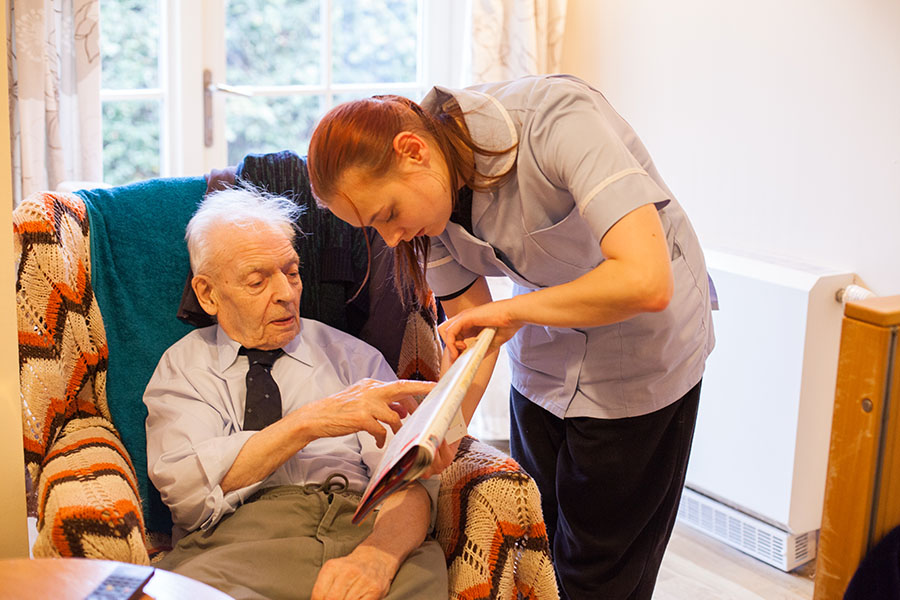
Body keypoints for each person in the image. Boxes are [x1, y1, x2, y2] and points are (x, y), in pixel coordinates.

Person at [306, 74, 715, 599]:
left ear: (413, 151)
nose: (391, 237)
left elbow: (645, 280)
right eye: (374, 227)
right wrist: (438, 438)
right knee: (538, 552)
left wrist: (514, 312)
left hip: (641, 356)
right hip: (545, 360)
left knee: (601, 570)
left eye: (388, 215)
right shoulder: (428, 217)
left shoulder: (555, 120)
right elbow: (477, 330)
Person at [144, 185, 448, 600]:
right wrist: (309, 423)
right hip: (236, 545)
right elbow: (187, 496)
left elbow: (409, 484)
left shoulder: (354, 358)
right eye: (258, 281)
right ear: (208, 294)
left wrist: (378, 558)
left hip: (361, 530)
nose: (287, 295)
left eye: (292, 272)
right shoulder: (185, 367)